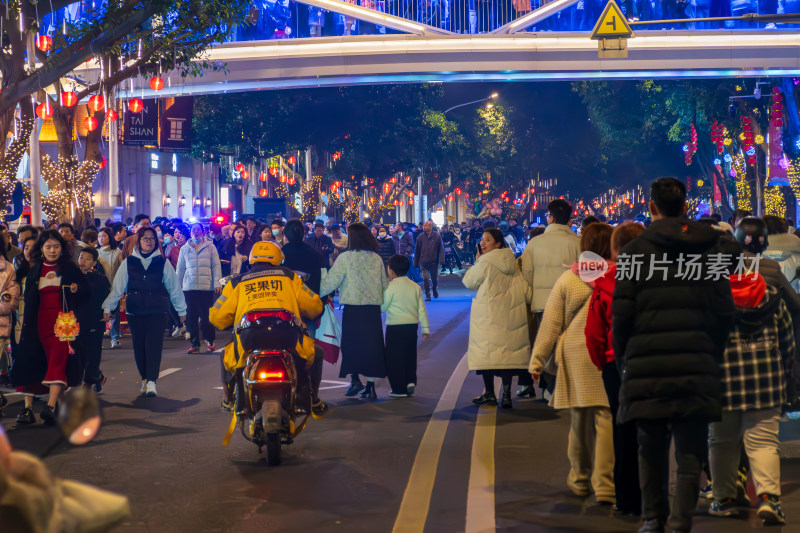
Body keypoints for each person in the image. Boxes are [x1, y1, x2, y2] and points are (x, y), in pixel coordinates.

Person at [613, 177, 736, 533]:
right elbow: (725, 311)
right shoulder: (709, 250)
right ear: (685, 207)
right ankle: (681, 523)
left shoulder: (635, 253)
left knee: (649, 448)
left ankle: (653, 519)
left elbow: (621, 317)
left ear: (652, 208)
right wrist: (711, 350)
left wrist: (625, 362)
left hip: (645, 363)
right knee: (690, 454)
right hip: (697, 363)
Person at [529, 223, 615, 505]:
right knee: (607, 420)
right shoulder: (620, 275)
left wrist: (538, 360)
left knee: (580, 420)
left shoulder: (570, 278)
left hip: (577, 353)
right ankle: (605, 484)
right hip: (609, 352)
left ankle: (579, 479)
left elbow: (552, 322)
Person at [209, 241, 327, 418]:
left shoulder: (237, 282)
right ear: (279, 259)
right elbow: (315, 306)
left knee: (226, 356)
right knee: (316, 353)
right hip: (288, 336)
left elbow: (217, 317)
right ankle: (313, 399)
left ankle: (228, 400)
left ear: (251, 259)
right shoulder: (289, 277)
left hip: (249, 338)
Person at [584, 221, 645, 515]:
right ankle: (657, 497)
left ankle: (628, 499)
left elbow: (594, 331)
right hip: (655, 360)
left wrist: (602, 361)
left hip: (615, 363)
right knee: (655, 432)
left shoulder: (605, 282)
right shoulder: (664, 275)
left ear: (616, 249)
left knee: (624, 432)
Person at [11, 230, 88, 425]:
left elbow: (86, 292)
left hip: (63, 323)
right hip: (38, 323)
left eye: (56, 246)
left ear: (62, 248)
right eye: (48, 247)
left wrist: (76, 290)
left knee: (58, 360)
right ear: (42, 249)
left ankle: (51, 406)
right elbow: (29, 300)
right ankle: (54, 407)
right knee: (38, 362)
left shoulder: (70, 269)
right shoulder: (36, 270)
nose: (52, 250)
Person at [103, 227, 186, 397]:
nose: (149, 241)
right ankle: (144, 378)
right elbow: (117, 288)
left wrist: (181, 309)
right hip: (135, 311)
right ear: (138, 241)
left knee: (154, 346)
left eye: (152, 238)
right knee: (139, 347)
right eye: (145, 238)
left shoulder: (163, 262)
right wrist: (108, 307)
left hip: (157, 310)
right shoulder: (128, 262)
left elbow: (174, 288)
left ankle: (152, 381)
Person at [520, 199, 580, 398]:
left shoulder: (535, 243)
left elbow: (526, 275)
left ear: (551, 218)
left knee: (547, 344)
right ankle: (558, 387)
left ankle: (550, 387)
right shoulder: (578, 243)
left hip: (544, 302)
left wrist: (531, 296)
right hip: (571, 302)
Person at [320, 222, 388, 399]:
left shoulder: (345, 258)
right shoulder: (376, 258)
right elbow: (384, 284)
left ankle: (355, 379)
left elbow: (331, 282)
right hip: (372, 308)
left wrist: (317, 289)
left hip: (352, 307)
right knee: (372, 346)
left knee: (351, 345)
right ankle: (370, 386)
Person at [464, 228, 531, 409]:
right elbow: (526, 292)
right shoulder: (513, 263)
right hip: (510, 314)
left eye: (487, 240)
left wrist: (476, 261)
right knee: (506, 357)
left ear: (498, 243)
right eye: (482, 239)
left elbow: (469, 282)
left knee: (487, 355)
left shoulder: (485, 262)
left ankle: (490, 394)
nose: (483, 243)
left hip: (489, 315)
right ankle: (507, 395)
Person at [382, 255, 429, 398]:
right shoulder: (415, 286)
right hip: (411, 327)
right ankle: (410, 381)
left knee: (394, 358)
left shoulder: (391, 287)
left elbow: (383, 307)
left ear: (391, 270)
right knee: (410, 354)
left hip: (395, 327)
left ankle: (398, 389)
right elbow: (422, 308)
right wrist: (425, 328)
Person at [176, 223, 222, 354]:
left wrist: (217, 283)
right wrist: (177, 286)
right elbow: (180, 268)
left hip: (206, 287)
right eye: (193, 230)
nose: (195, 232)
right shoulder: (184, 248)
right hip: (189, 288)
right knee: (191, 317)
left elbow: (216, 266)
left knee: (206, 317)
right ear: (190, 232)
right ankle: (195, 344)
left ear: (203, 232)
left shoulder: (210, 247)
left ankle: (209, 339)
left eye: (198, 230)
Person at [76, 247, 111, 392]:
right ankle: (98, 376)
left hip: (94, 320)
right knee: (79, 354)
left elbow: (108, 299)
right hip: (75, 321)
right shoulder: (72, 277)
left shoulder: (100, 279)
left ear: (94, 263)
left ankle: (88, 383)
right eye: (81, 257)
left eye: (87, 259)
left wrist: (108, 313)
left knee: (92, 353)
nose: (82, 261)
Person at [414, 221, 444, 301]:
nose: (424, 227)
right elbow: (417, 250)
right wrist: (416, 262)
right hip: (423, 261)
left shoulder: (437, 236)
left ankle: (434, 288)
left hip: (434, 261)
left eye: (426, 225)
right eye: (423, 225)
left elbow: (441, 248)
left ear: (430, 227)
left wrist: (442, 259)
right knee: (426, 278)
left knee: (434, 278)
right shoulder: (420, 236)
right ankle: (427, 294)